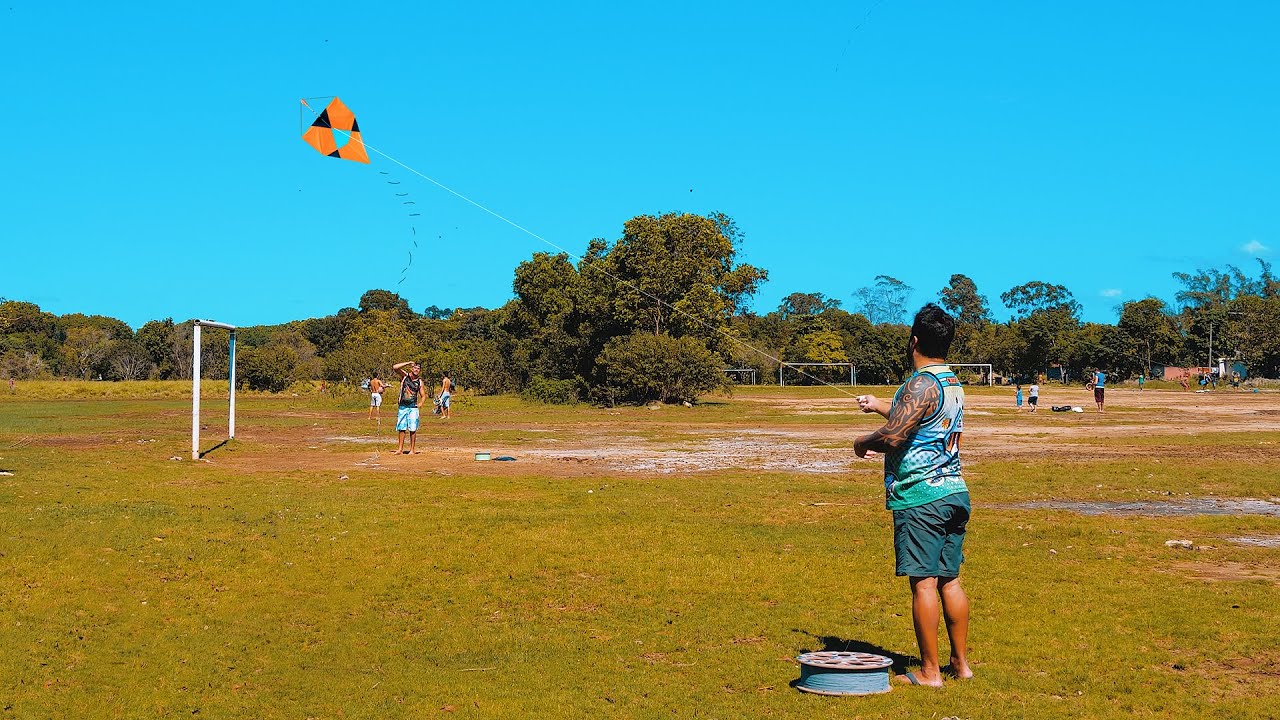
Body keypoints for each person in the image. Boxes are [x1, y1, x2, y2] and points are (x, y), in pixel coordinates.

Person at [853, 304, 972, 688]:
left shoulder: (919, 384)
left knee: (923, 583)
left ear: (914, 340)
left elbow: (894, 435)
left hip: (922, 497)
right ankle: (960, 665)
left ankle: (930, 672)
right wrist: (878, 406)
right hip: (953, 492)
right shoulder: (949, 382)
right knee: (949, 581)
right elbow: (916, 419)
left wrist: (862, 442)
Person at [392, 361, 426, 454]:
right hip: (403, 406)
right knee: (401, 428)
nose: (416, 370)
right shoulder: (405, 376)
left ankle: (412, 449)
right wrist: (408, 363)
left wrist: (421, 403)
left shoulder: (419, 381)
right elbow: (395, 367)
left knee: (413, 428)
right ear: (411, 368)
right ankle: (400, 449)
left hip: (413, 407)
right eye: (415, 368)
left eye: (418, 368)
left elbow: (423, 395)